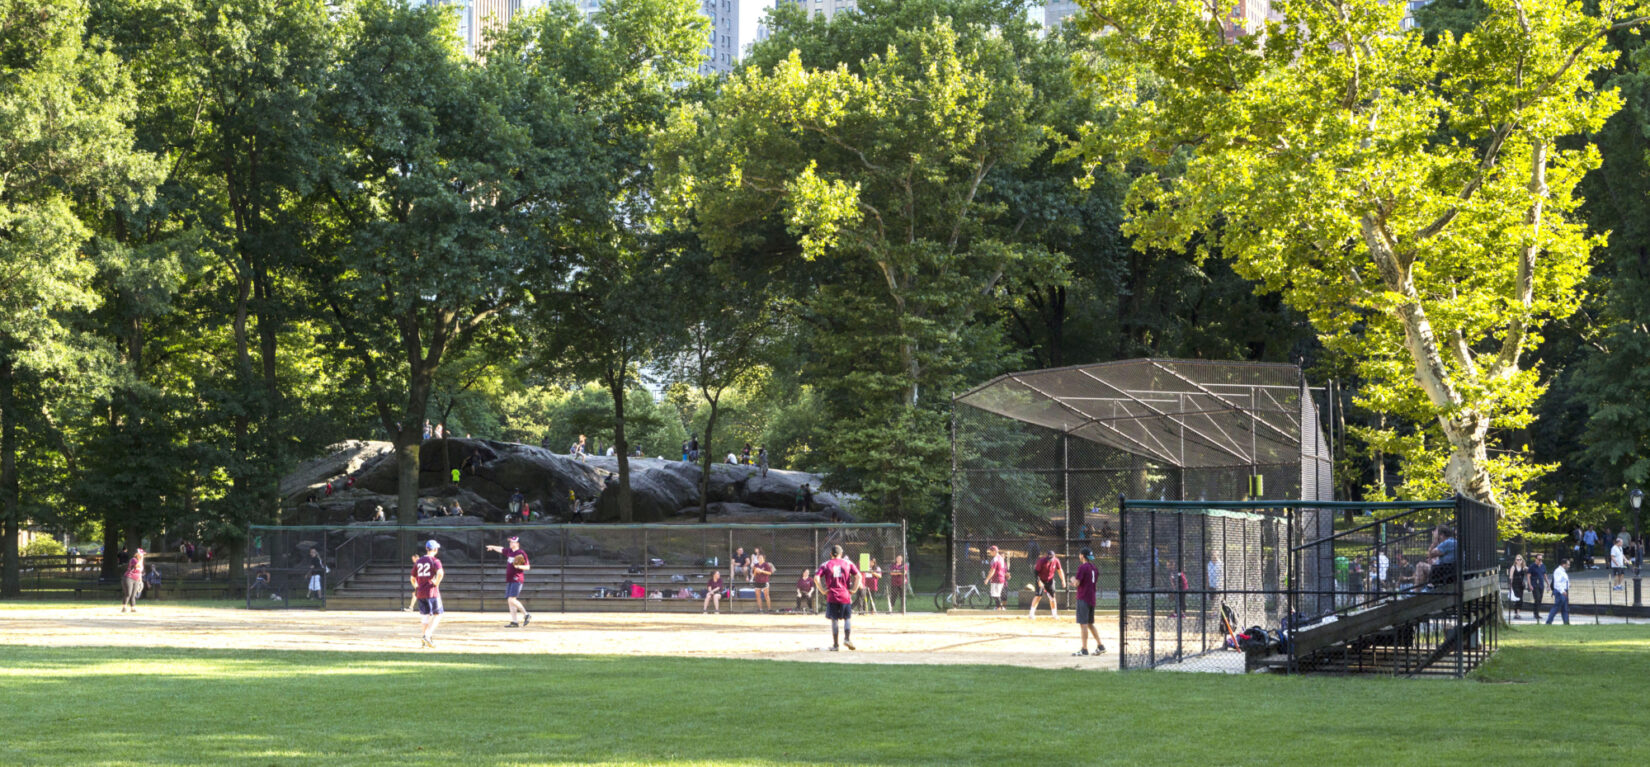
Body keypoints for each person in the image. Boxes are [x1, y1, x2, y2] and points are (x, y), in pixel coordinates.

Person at [815, 544, 863, 651]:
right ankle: (847, 638)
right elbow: (858, 576)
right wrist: (854, 589)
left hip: (832, 595)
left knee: (834, 619)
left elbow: (816, 577)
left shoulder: (826, 564)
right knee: (847, 618)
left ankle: (836, 645)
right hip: (845, 595)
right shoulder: (848, 563)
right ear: (841, 554)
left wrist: (822, 590)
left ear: (831, 554)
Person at [485, 536, 532, 627]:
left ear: (517, 544)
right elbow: (501, 549)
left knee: (512, 599)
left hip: (517, 579)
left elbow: (528, 567)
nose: (511, 543)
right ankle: (514, 622)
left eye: (513, 542)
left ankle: (526, 614)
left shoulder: (521, 553)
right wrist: (492, 547)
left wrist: (518, 566)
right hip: (510, 579)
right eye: (510, 542)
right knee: (510, 601)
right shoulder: (510, 552)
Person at [1071, 547, 1105, 655]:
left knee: (1083, 624)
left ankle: (1084, 649)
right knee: (1090, 623)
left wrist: (1072, 580)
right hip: (1091, 598)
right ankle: (1100, 646)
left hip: (1083, 598)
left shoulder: (1082, 567)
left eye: (1080, 554)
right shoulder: (1094, 568)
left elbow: (1077, 583)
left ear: (1082, 556)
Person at [412, 540, 446, 647]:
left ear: (426, 548)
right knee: (438, 614)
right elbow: (440, 573)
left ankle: (424, 638)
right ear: (435, 549)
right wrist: (436, 583)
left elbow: (412, 578)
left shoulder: (419, 561)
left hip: (421, 592)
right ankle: (427, 635)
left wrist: (417, 587)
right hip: (431, 592)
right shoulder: (435, 561)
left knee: (425, 616)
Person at [1029, 549, 1064, 619]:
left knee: (1053, 597)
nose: (1049, 560)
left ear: (1054, 557)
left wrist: (1063, 580)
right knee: (1038, 596)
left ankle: (1054, 615)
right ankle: (1031, 614)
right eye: (1048, 558)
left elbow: (1060, 570)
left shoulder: (1056, 561)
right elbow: (1036, 572)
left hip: (1050, 580)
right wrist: (1039, 581)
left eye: (1051, 558)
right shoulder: (1041, 561)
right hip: (1040, 579)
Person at [1545, 558, 1571, 625]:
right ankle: (1548, 621)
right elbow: (1557, 582)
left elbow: (1563, 581)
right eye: (1568, 564)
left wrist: (1568, 585)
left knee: (1565, 608)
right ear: (1563, 564)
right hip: (1560, 592)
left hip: (1564, 591)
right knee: (1556, 607)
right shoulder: (1558, 571)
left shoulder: (1563, 571)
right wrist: (1562, 591)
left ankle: (1566, 622)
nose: (1569, 566)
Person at [984, 545, 1009, 610]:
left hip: (997, 579)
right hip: (1000, 579)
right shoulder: (1000, 558)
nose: (990, 552)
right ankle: (999, 607)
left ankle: (1000, 608)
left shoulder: (995, 559)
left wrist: (987, 579)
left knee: (995, 595)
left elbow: (992, 570)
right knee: (996, 594)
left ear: (994, 551)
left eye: (991, 551)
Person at [121, 548, 146, 613]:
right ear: (137, 554)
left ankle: (133, 608)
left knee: (133, 595)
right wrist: (141, 558)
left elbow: (140, 571)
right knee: (128, 593)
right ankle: (124, 607)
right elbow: (138, 565)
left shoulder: (141, 561)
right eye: (141, 554)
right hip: (129, 578)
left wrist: (140, 581)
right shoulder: (133, 560)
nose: (142, 555)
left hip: (136, 579)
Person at [1508, 554, 1530, 620]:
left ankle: (1517, 613)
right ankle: (1517, 613)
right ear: (1515, 560)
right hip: (1515, 585)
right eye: (1517, 560)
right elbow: (1511, 577)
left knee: (1520, 599)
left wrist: (1527, 568)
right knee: (1517, 599)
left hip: (1521, 585)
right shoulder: (1513, 567)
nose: (1519, 561)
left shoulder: (1523, 567)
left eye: (1520, 559)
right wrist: (1510, 586)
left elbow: (1529, 572)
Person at [1527, 552, 1548, 618]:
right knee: (1537, 598)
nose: (1540, 561)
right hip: (1534, 584)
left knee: (1540, 599)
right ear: (1535, 559)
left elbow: (1545, 575)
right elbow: (1528, 576)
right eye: (1539, 559)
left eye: (1541, 559)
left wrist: (1548, 584)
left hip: (1541, 584)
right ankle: (1536, 613)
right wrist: (1529, 585)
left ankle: (1537, 612)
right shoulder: (1532, 566)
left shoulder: (1543, 566)